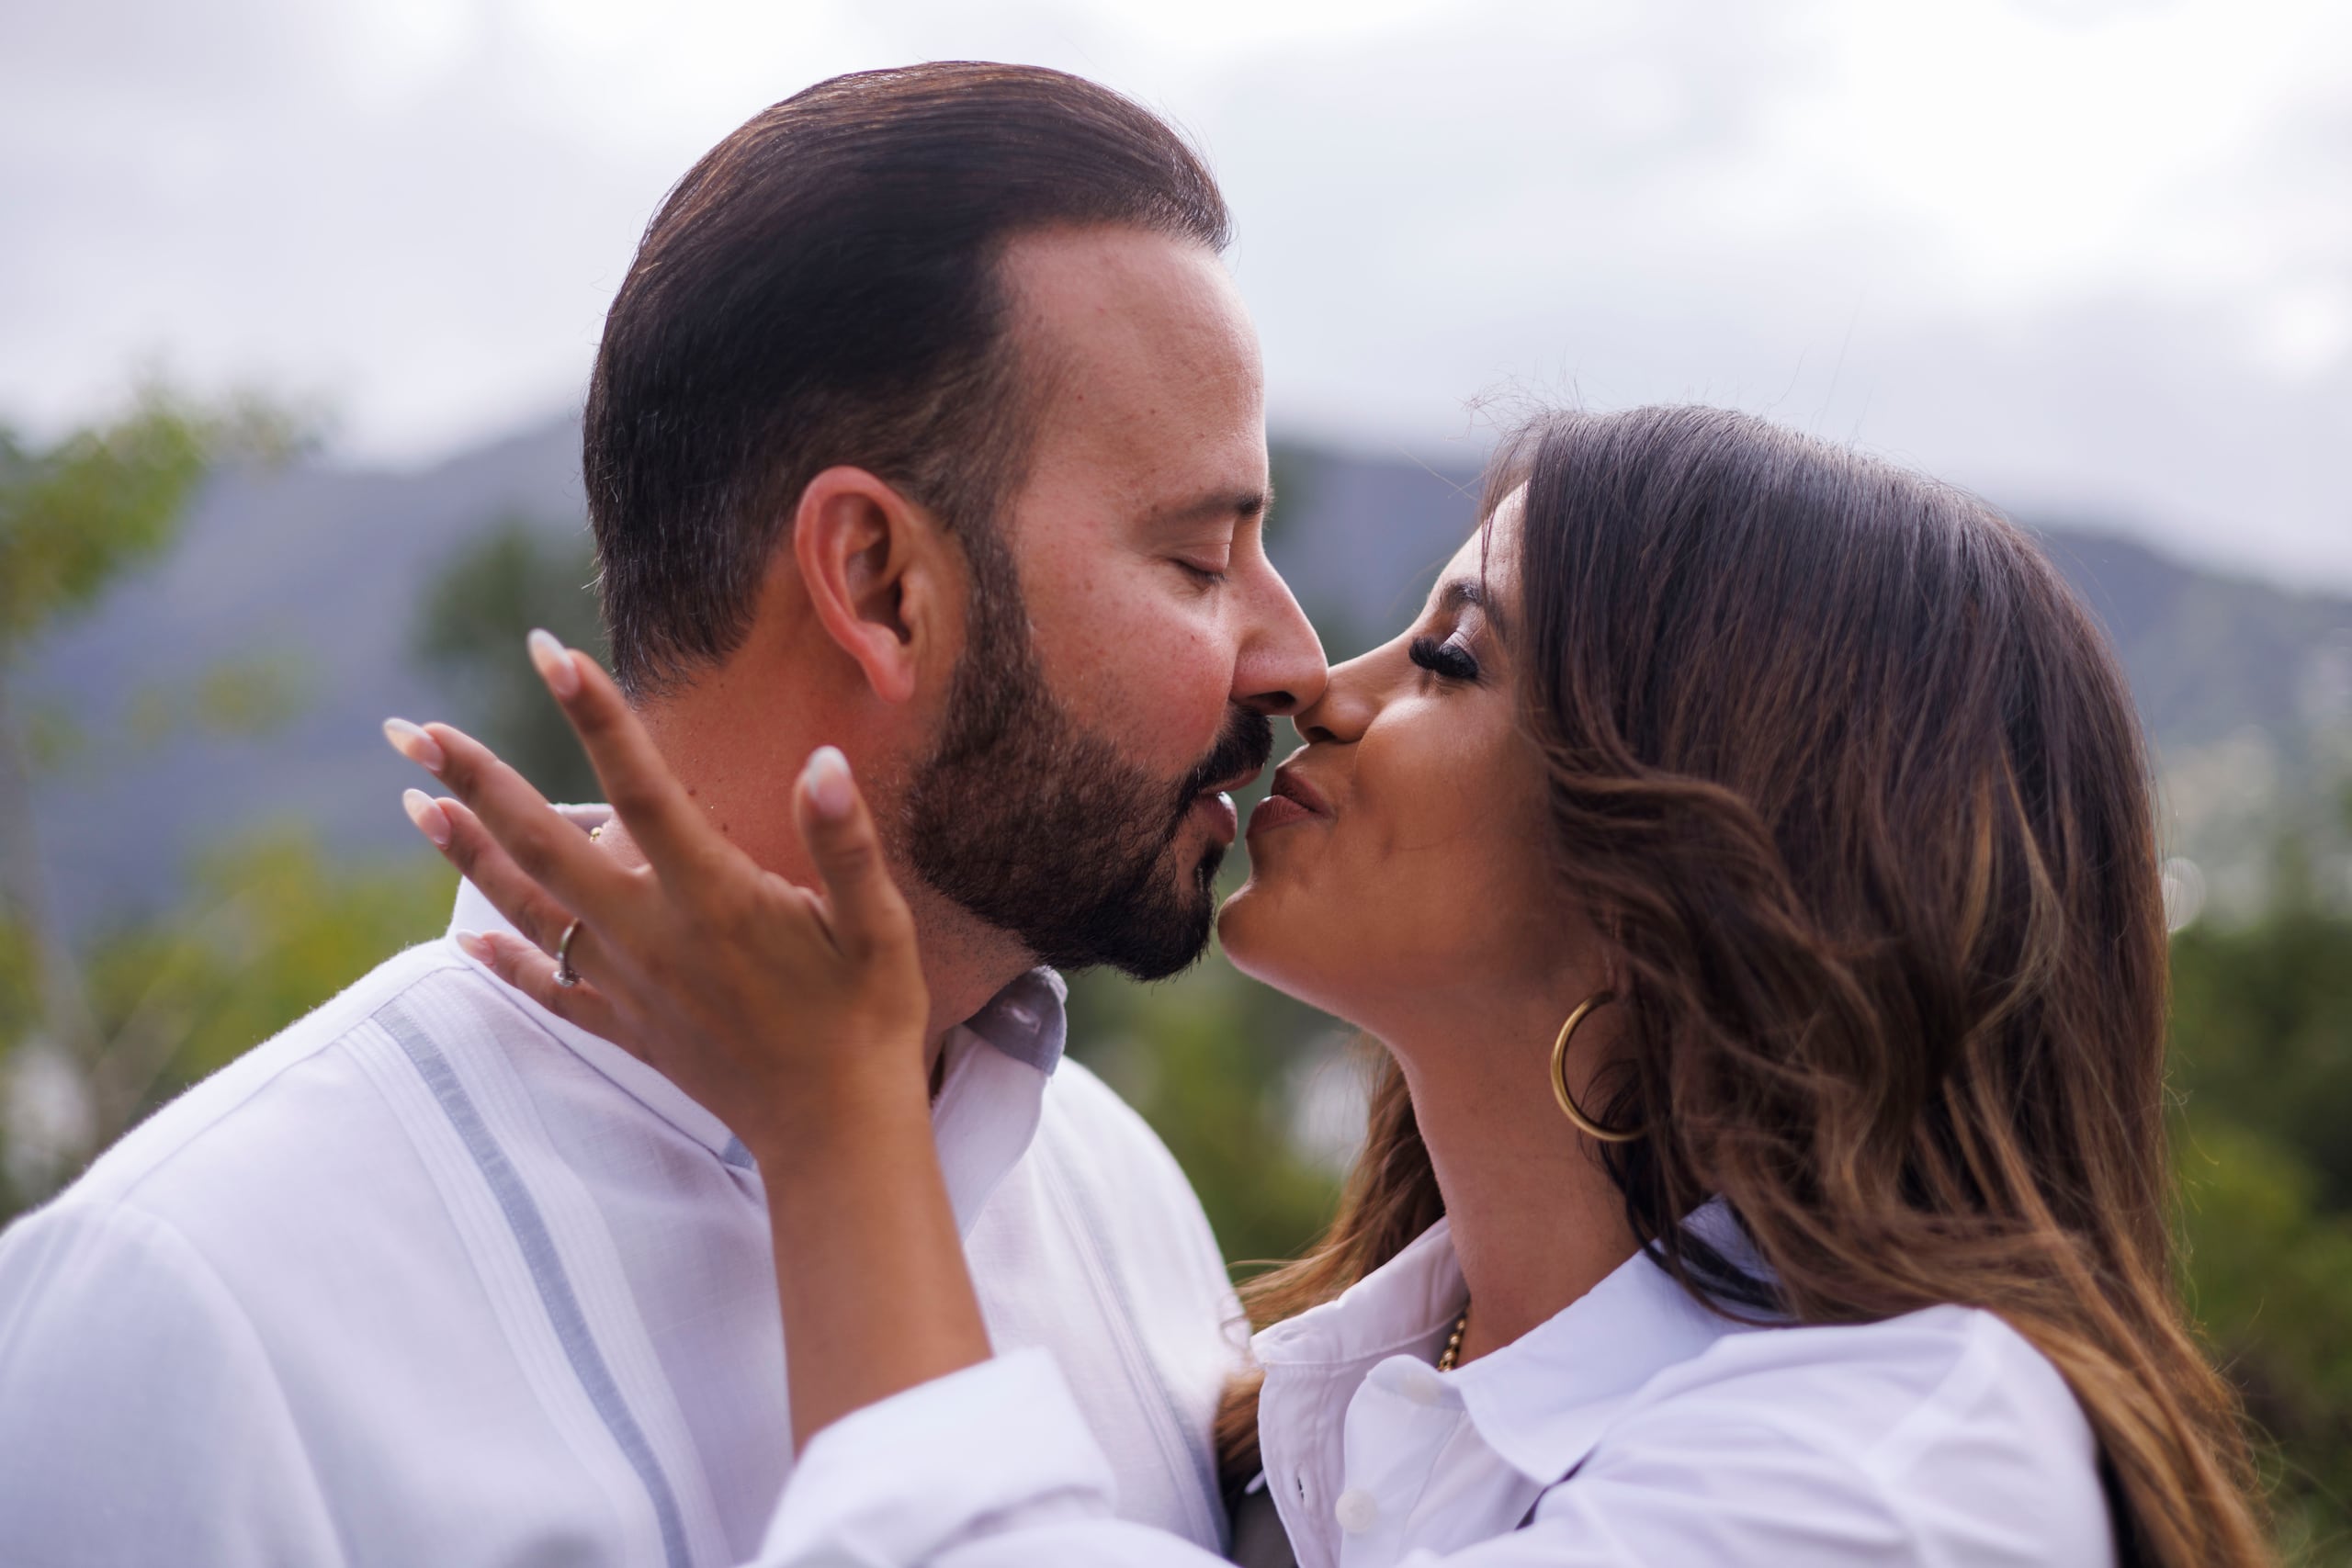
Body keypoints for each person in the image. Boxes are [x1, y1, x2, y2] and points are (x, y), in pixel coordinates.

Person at [421, 405, 2272, 1567]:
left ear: (1690, 865)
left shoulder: (1898, 1474)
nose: (1313, 679)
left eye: (1452, 658)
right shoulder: (1282, 1399)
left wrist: (833, 1128)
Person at [0, 63, 1325, 1564]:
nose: (1294, 662)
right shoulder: (189, 1317)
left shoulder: (1109, 1191)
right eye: (1201, 561)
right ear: (884, 585)